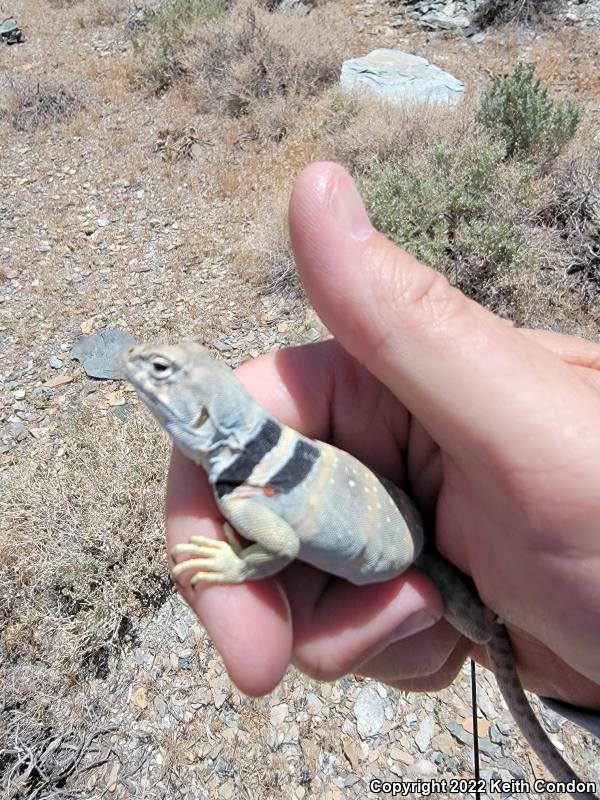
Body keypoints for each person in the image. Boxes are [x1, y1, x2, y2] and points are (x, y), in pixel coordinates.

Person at [166, 162, 600, 714]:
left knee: (474, 627)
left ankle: (503, 643)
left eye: (165, 375)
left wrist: (234, 567)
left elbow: (280, 544)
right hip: (411, 534)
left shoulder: (241, 484)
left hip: (417, 547)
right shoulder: (244, 471)